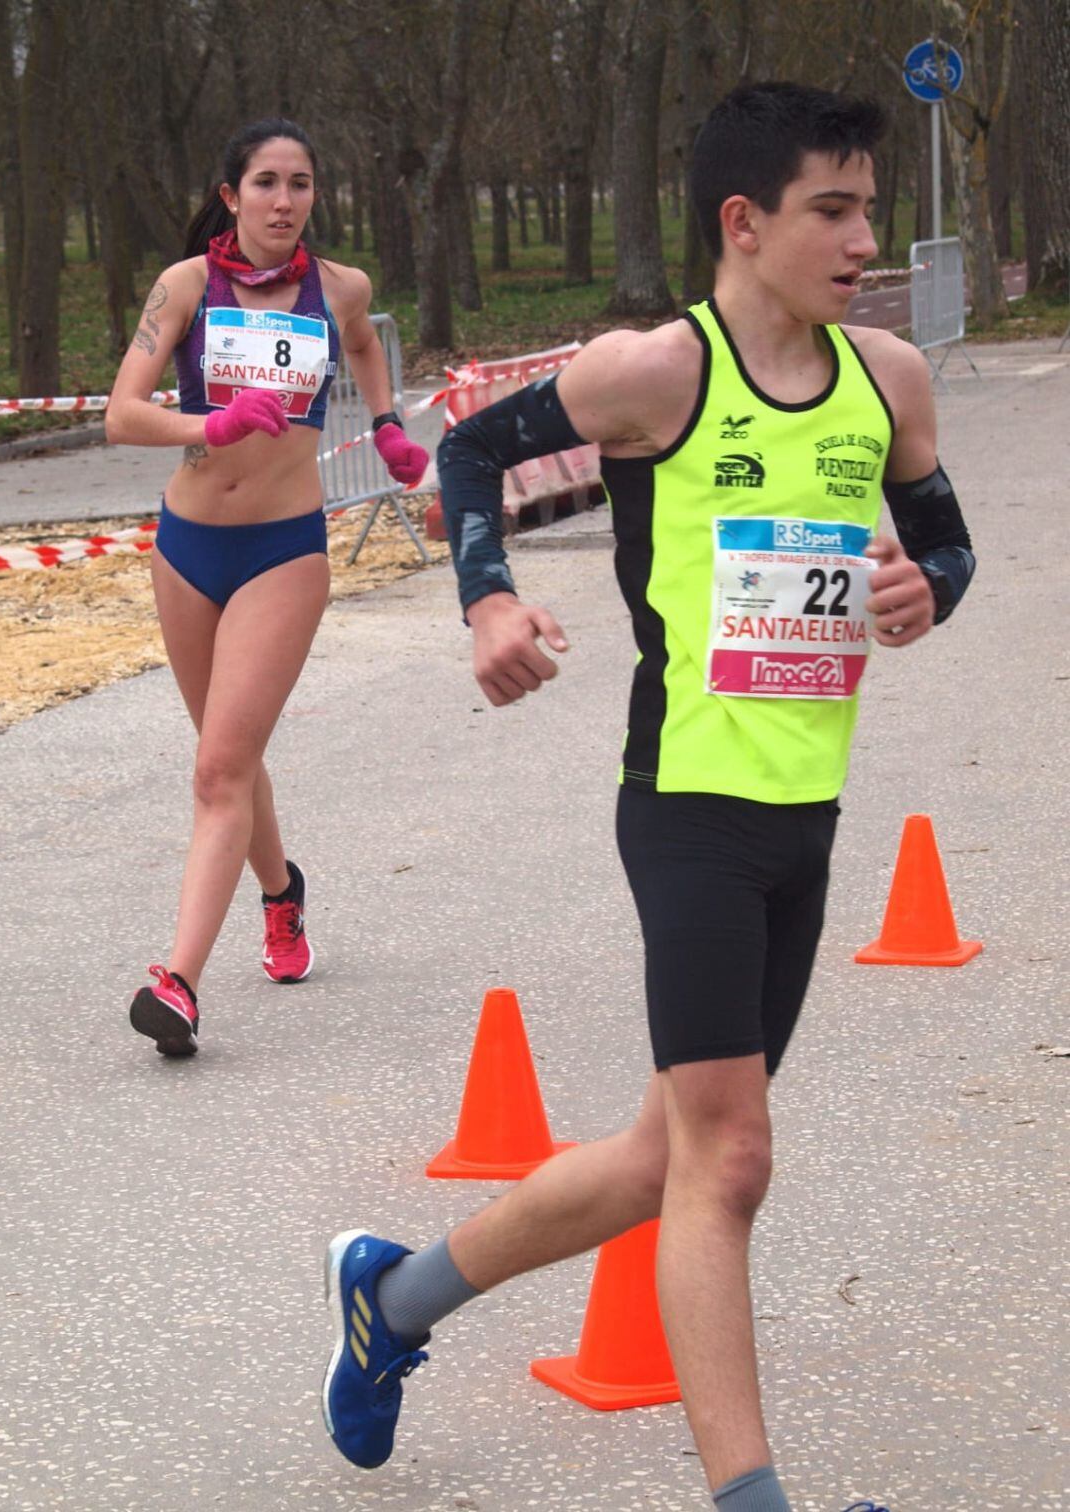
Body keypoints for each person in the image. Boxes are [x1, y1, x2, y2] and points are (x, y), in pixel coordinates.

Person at [319, 83, 975, 1510]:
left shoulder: (889, 382)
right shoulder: (656, 374)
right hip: (684, 803)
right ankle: (754, 1501)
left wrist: (927, 590)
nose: (868, 237)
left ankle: (396, 1298)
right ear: (745, 223)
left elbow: (944, 550)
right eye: (835, 210)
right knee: (729, 1159)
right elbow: (475, 449)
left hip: (808, 810)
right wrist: (489, 603)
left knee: (659, 1156)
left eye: (871, 207)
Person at [106, 118, 427, 1057]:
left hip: (285, 551)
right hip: (187, 549)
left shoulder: (340, 287)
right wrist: (208, 426)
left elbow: (365, 345)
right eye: (266, 184)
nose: (284, 201)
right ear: (233, 193)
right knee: (229, 758)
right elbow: (123, 416)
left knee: (217, 771)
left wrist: (387, 424)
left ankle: (178, 984)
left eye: (301, 184)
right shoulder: (185, 287)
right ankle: (282, 895)